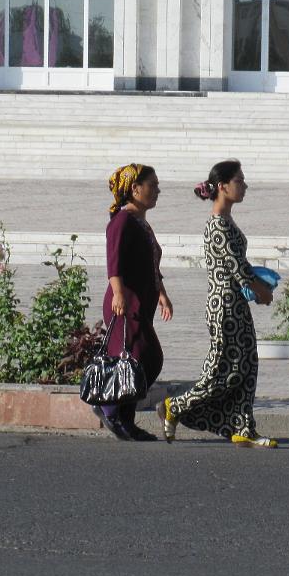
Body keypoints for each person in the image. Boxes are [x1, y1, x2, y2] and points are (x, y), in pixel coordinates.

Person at [157, 159, 278, 448]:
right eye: (239, 180)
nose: (244, 185)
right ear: (222, 186)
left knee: (246, 364)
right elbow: (237, 268)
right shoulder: (217, 225)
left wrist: (260, 283)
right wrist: (260, 290)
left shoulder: (226, 221)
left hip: (234, 303)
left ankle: (243, 426)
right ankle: (175, 406)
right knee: (225, 370)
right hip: (224, 305)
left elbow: (240, 265)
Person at [94, 163, 174, 441]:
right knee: (141, 359)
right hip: (124, 303)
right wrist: (117, 293)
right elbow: (113, 261)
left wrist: (161, 293)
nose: (157, 190)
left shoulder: (140, 221)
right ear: (134, 188)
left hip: (141, 304)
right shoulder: (122, 221)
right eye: (152, 185)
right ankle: (109, 408)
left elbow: (149, 262)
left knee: (144, 360)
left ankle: (125, 420)